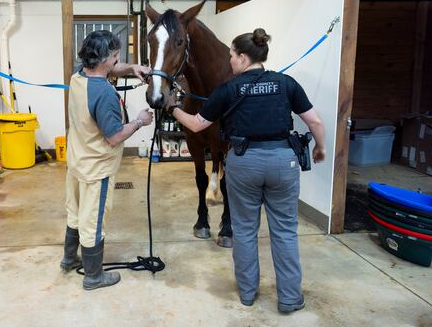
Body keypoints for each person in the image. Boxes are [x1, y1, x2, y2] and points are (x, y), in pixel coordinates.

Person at [165, 28, 326, 313]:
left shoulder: (228, 90)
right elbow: (315, 122)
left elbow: (196, 125)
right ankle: (289, 297)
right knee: (285, 232)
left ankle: (248, 294)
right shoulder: (286, 83)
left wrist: (172, 107)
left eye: (231, 56)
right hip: (283, 163)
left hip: (244, 163)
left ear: (242, 57)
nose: (229, 61)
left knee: (245, 230)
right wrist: (320, 148)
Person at [60, 30, 153, 290]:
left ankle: (69, 259)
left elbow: (109, 68)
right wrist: (138, 122)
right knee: (93, 223)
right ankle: (93, 276)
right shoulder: (104, 95)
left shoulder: (78, 76)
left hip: (77, 162)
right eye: (116, 57)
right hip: (96, 169)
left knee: (75, 213)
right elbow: (114, 137)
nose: (117, 60)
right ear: (107, 60)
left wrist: (132, 67)